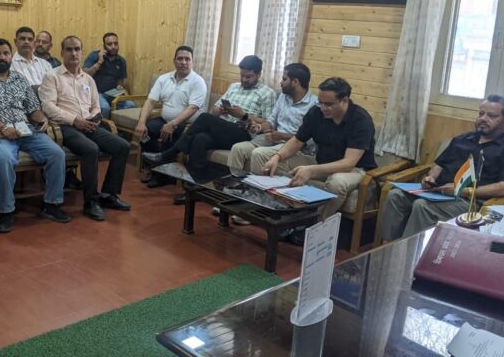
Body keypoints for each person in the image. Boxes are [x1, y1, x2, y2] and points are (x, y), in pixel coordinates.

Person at [381, 95, 504, 240]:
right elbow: (439, 164)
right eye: (481, 113)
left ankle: (410, 252)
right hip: (438, 191)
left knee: (422, 206)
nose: (483, 118)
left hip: (471, 201)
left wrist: (462, 191)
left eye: (491, 116)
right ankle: (388, 247)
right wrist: (431, 177)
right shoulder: (463, 139)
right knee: (395, 196)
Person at [264, 77, 377, 244]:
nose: (323, 108)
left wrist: (311, 170)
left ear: (344, 100)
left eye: (329, 104)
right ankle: (282, 217)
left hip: (355, 170)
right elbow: (298, 140)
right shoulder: (316, 112)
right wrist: (277, 156)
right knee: (266, 158)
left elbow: (349, 163)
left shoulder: (360, 120)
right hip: (321, 163)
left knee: (337, 182)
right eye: (320, 103)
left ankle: (314, 228)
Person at [0, 37, 68, 232]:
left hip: (26, 131)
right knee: (3, 159)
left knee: (57, 154)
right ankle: (6, 211)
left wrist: (41, 119)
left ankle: (51, 204)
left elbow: (33, 108)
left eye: (6, 53)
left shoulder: (20, 79)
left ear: (11, 56)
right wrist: (3, 128)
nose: (2, 57)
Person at [39, 36, 131, 220]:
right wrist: (75, 120)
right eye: (69, 49)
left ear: (82, 52)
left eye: (77, 49)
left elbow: (96, 105)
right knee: (91, 149)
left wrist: (95, 118)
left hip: (89, 124)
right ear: (62, 52)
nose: (73, 53)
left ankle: (109, 194)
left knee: (122, 146)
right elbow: (48, 107)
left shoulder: (88, 79)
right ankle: (91, 201)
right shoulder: (52, 76)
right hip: (66, 126)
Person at [143, 55, 276, 171]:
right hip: (223, 129)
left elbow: (267, 123)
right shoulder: (234, 87)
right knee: (200, 139)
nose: (244, 80)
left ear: (259, 75)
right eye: (242, 75)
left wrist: (243, 115)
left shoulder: (267, 93)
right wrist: (220, 110)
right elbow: (214, 110)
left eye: (249, 77)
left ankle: (168, 154)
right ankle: (195, 184)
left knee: (204, 117)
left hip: (244, 133)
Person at [133, 45, 207, 188]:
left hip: (185, 124)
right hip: (164, 120)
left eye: (187, 59)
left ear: (192, 62)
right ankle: (156, 169)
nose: (183, 62)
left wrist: (173, 124)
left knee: (169, 135)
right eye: (180, 59)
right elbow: (150, 101)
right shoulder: (164, 78)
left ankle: (164, 175)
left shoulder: (198, 82)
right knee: (145, 131)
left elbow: (192, 108)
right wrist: (141, 122)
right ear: (174, 61)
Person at [228, 63, 317, 175]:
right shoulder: (283, 97)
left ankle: (256, 186)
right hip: (273, 140)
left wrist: (283, 136)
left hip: (292, 147)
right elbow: (271, 120)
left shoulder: (314, 105)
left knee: (258, 153)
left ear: (295, 82)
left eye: (284, 79)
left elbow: (310, 142)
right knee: (238, 148)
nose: (281, 83)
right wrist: (259, 127)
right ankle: (234, 182)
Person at [83, 32, 135, 117]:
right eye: (109, 44)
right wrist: (99, 62)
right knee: (105, 107)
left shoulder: (121, 60)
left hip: (113, 93)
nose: (113, 46)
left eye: (115, 43)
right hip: (97, 93)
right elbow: (84, 75)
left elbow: (121, 81)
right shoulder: (94, 55)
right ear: (104, 45)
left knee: (130, 105)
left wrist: (120, 87)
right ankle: (102, 125)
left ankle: (117, 124)